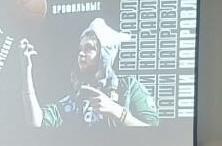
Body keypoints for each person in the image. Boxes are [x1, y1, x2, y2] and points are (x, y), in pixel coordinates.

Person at [19, 18, 159, 127]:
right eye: (80, 49)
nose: (81, 53)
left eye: (89, 48)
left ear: (104, 55)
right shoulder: (74, 100)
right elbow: (36, 123)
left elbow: (154, 133)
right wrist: (26, 71)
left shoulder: (128, 87)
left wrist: (116, 112)